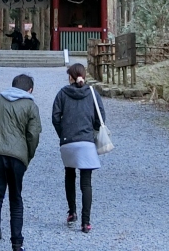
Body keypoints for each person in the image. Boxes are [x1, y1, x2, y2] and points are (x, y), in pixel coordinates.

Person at [0, 73, 41, 251]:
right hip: (17, 157)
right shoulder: (31, 106)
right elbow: (33, 134)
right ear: (30, 89)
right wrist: (27, 156)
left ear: (13, 85)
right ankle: (17, 243)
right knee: (15, 198)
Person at [51, 62, 105, 233]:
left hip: (68, 143)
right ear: (84, 76)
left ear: (70, 77)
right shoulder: (92, 93)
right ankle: (85, 222)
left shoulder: (62, 93)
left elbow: (55, 117)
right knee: (86, 182)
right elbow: (100, 118)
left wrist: (64, 133)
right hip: (86, 142)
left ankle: (72, 212)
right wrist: (90, 130)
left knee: (69, 175)